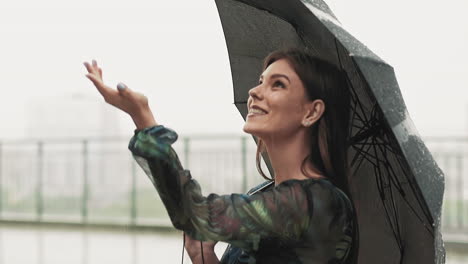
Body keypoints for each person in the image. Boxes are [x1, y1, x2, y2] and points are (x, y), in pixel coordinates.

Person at [83, 48, 359, 264]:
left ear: (311, 112)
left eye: (278, 85)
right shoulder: (267, 193)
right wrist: (200, 255)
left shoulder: (316, 203)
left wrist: (143, 119)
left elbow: (195, 213)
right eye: (261, 81)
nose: (254, 92)